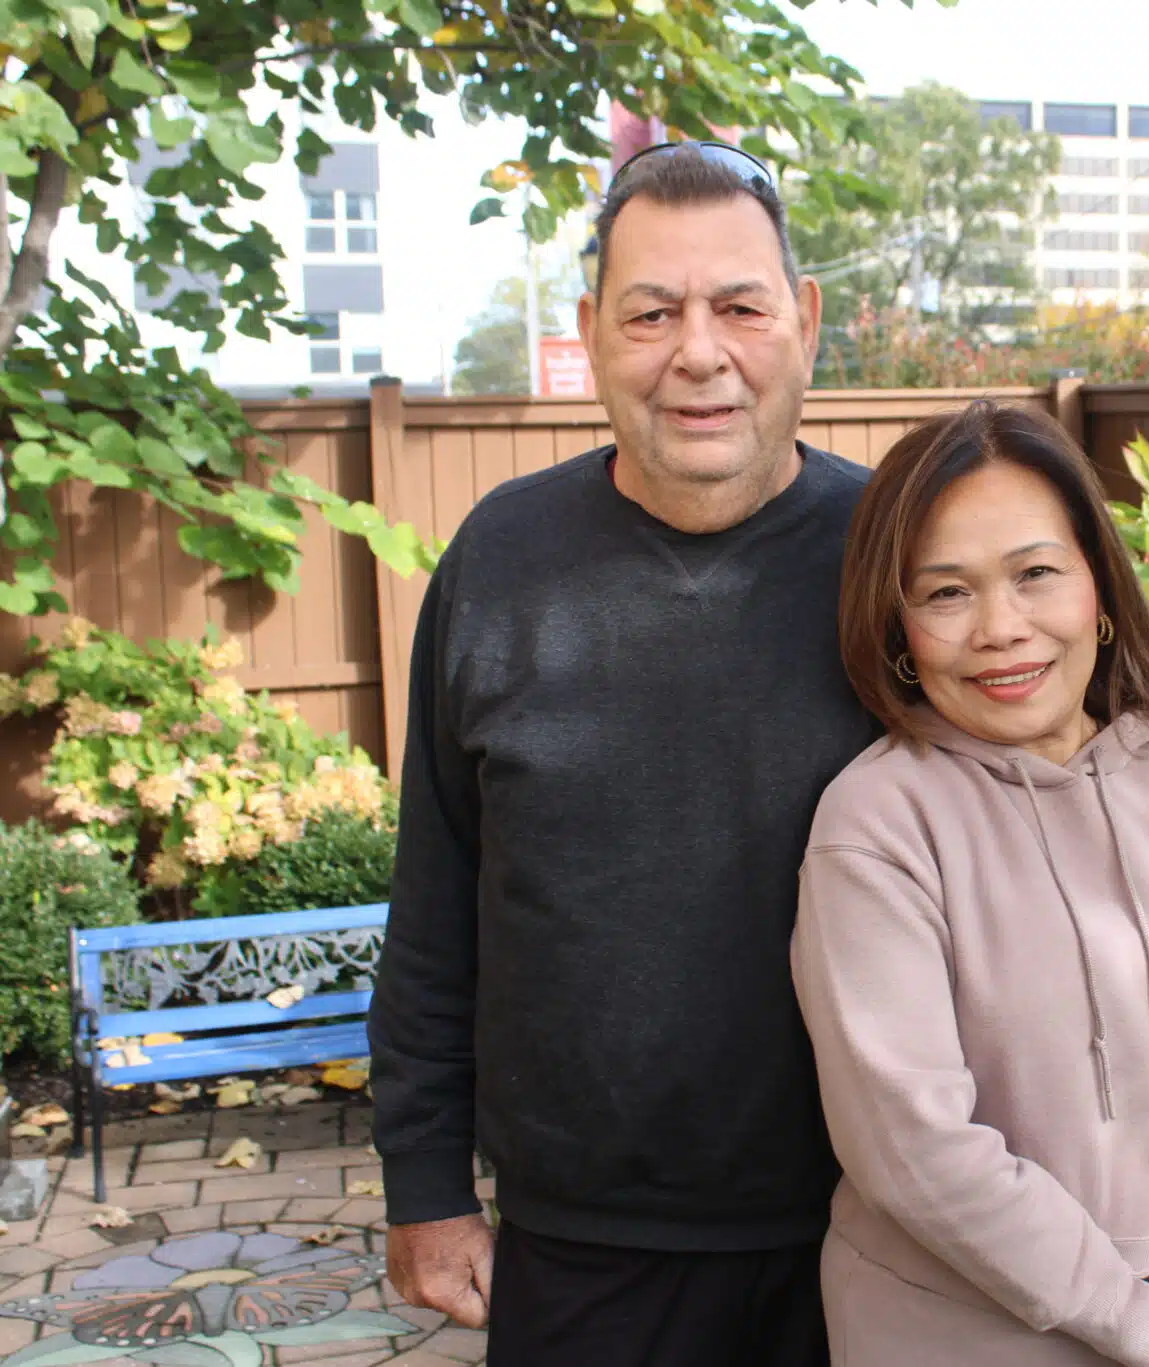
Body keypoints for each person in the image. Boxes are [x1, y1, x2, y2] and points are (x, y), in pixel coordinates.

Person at [367, 141, 875, 1367]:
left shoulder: (896, 560)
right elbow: (436, 899)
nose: (698, 352)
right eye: (652, 313)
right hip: (582, 1248)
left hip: (880, 1232)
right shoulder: (501, 560)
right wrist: (424, 1182)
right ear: (593, 331)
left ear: (804, 322)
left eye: (739, 307)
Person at [791, 401, 1149, 1367]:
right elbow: (912, 1146)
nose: (1001, 629)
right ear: (898, 627)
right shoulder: (879, 823)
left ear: (1099, 584)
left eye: (1036, 574)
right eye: (946, 593)